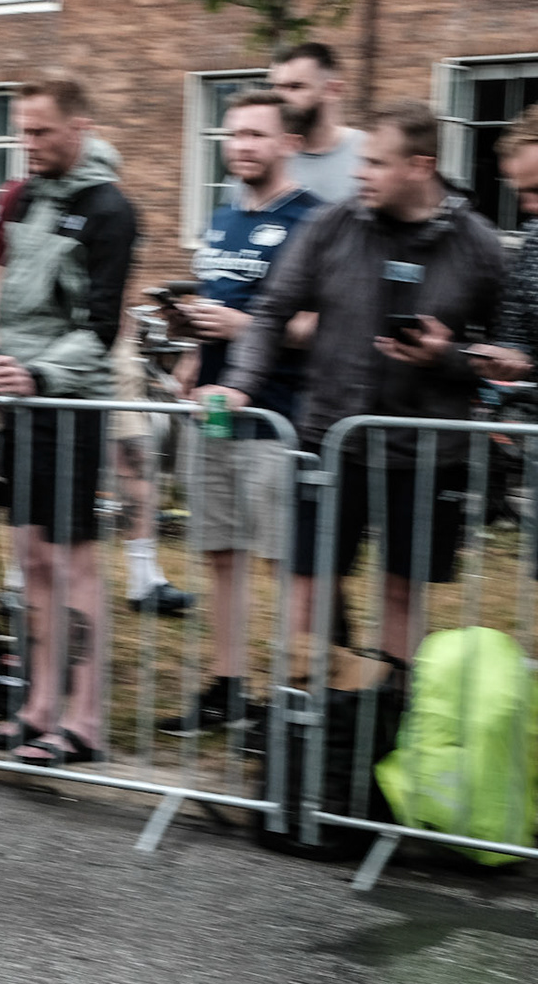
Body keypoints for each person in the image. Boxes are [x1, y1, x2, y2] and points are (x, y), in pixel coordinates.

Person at [216, 100, 506, 665]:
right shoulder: (332, 225)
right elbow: (272, 312)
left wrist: (447, 357)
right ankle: (308, 706)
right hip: (331, 438)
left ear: (420, 166)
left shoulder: (478, 243)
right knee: (309, 583)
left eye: (375, 163)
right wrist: (241, 384)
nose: (359, 173)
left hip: (427, 449)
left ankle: (391, 706)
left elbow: (506, 353)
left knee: (400, 591)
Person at [0, 79, 137, 768]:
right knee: (32, 558)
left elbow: (100, 328)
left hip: (71, 402)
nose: (28, 144)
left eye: (41, 131)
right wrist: (1, 365)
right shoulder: (24, 197)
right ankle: (39, 708)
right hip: (22, 399)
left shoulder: (111, 209)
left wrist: (38, 375)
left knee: (74, 562)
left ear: (79, 127)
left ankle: (86, 719)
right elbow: (10, 295)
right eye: (23, 130)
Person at [159, 91, 322, 735]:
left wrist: (243, 326)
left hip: (279, 415)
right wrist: (190, 344)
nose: (243, 146)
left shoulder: (315, 220)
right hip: (214, 412)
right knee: (221, 554)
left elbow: (321, 325)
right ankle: (227, 688)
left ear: (289, 144)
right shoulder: (224, 217)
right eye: (235, 134)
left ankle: (285, 701)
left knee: (284, 564)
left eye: (257, 134)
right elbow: (216, 305)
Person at [471, 105, 538, 379]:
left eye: (536, 190)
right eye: (520, 193)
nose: (529, 206)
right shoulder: (534, 242)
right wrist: (507, 359)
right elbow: (515, 337)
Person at [267, 42, 366, 204]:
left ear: (333, 90)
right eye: (276, 87)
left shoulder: (368, 155)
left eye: (295, 87)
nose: (280, 98)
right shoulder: (262, 156)